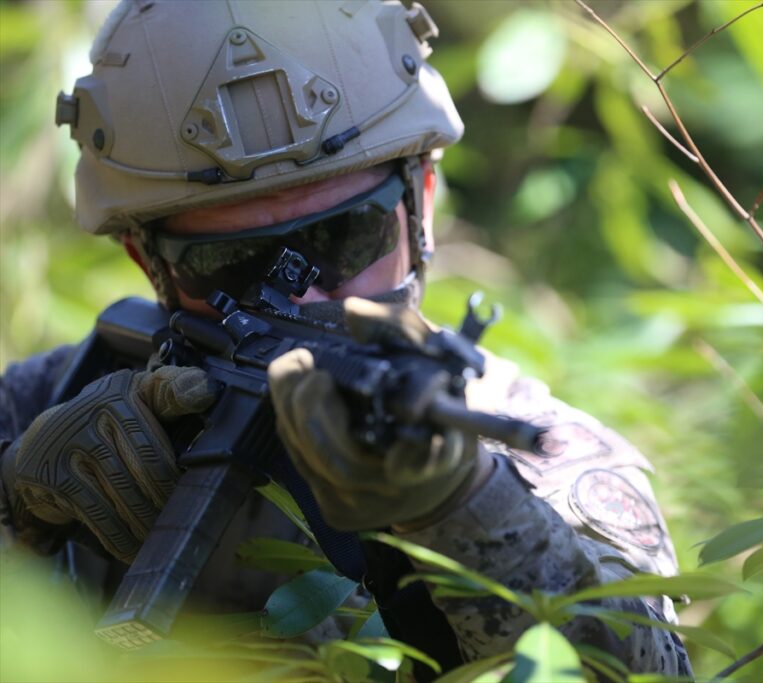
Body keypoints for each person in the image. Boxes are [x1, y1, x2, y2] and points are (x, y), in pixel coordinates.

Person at [0, 1, 692, 677]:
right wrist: (19, 509)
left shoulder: (546, 460)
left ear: (421, 202)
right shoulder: (45, 408)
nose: (301, 297)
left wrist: (464, 506)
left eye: (344, 235)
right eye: (229, 262)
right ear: (145, 260)